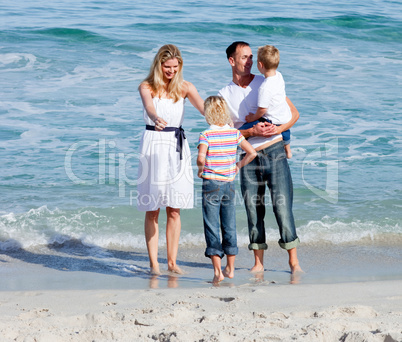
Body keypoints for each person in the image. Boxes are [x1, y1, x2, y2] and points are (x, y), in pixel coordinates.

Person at [218, 41, 302, 274]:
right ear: (231, 61)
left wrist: (277, 130)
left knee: (282, 208)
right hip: (248, 156)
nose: (249, 61)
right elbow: (226, 132)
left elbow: (293, 114)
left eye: (251, 57)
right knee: (253, 210)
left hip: (275, 150)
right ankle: (258, 263)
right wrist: (251, 132)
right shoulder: (223, 94)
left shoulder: (266, 82)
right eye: (244, 57)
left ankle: (294, 263)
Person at [137, 44, 204, 275]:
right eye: (167, 66)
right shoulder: (147, 86)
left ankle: (172, 262)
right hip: (154, 143)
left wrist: (228, 120)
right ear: (159, 64)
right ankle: (154, 264)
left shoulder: (185, 87)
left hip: (177, 147)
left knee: (174, 208)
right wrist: (155, 116)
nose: (171, 71)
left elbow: (206, 110)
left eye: (175, 67)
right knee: (152, 208)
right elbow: (149, 106)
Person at [197, 96, 256, 283]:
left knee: (212, 226)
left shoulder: (206, 134)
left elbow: (200, 157)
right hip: (229, 184)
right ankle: (230, 268)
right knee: (229, 225)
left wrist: (200, 169)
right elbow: (252, 152)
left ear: (208, 114)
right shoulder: (235, 133)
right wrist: (238, 165)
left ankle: (217, 272)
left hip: (211, 184)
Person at [241, 45, 293, 159]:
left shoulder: (265, 87)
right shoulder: (279, 76)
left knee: (244, 127)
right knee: (286, 132)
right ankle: (288, 150)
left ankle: (241, 147)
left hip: (273, 120)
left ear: (260, 65)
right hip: (285, 116)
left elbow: (262, 109)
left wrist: (253, 117)